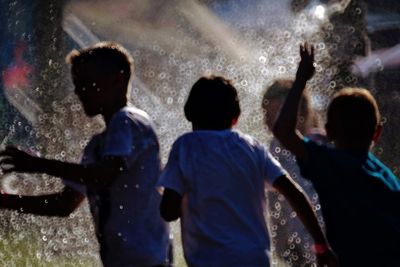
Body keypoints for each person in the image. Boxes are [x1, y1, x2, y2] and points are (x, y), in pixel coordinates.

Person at [0, 42, 171, 267]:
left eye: (87, 83)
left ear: (117, 81)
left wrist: (38, 165)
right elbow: (64, 204)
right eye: (77, 84)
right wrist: (4, 201)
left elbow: (105, 176)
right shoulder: (98, 146)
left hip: (147, 261)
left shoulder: (127, 120)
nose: (79, 91)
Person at [158, 76, 337, 267]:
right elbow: (295, 194)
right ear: (236, 117)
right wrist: (321, 243)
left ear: (189, 113)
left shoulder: (186, 147)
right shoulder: (254, 148)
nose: (268, 121)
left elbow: (169, 211)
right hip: (255, 259)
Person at [273, 43, 400, 266]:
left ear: (329, 132)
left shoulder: (331, 164)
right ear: (377, 133)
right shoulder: (387, 177)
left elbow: (284, 130)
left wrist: (301, 79)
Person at [262, 79, 326, 265]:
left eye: (277, 115)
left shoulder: (321, 145)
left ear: (302, 114)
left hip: (323, 238)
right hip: (294, 242)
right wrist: (279, 238)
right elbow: (274, 198)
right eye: (267, 114)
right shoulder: (273, 149)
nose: (270, 122)